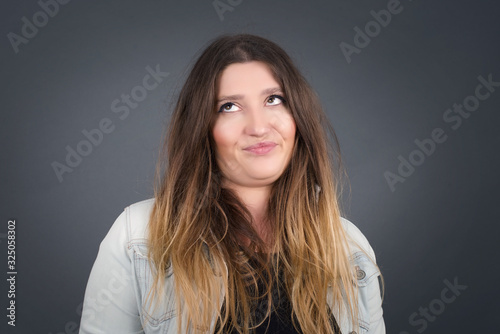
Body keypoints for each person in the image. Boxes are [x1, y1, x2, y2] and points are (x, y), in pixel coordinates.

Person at [79, 33, 385, 334]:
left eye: (273, 99)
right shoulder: (137, 238)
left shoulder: (350, 247)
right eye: (229, 106)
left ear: (297, 117)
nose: (258, 126)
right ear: (202, 128)